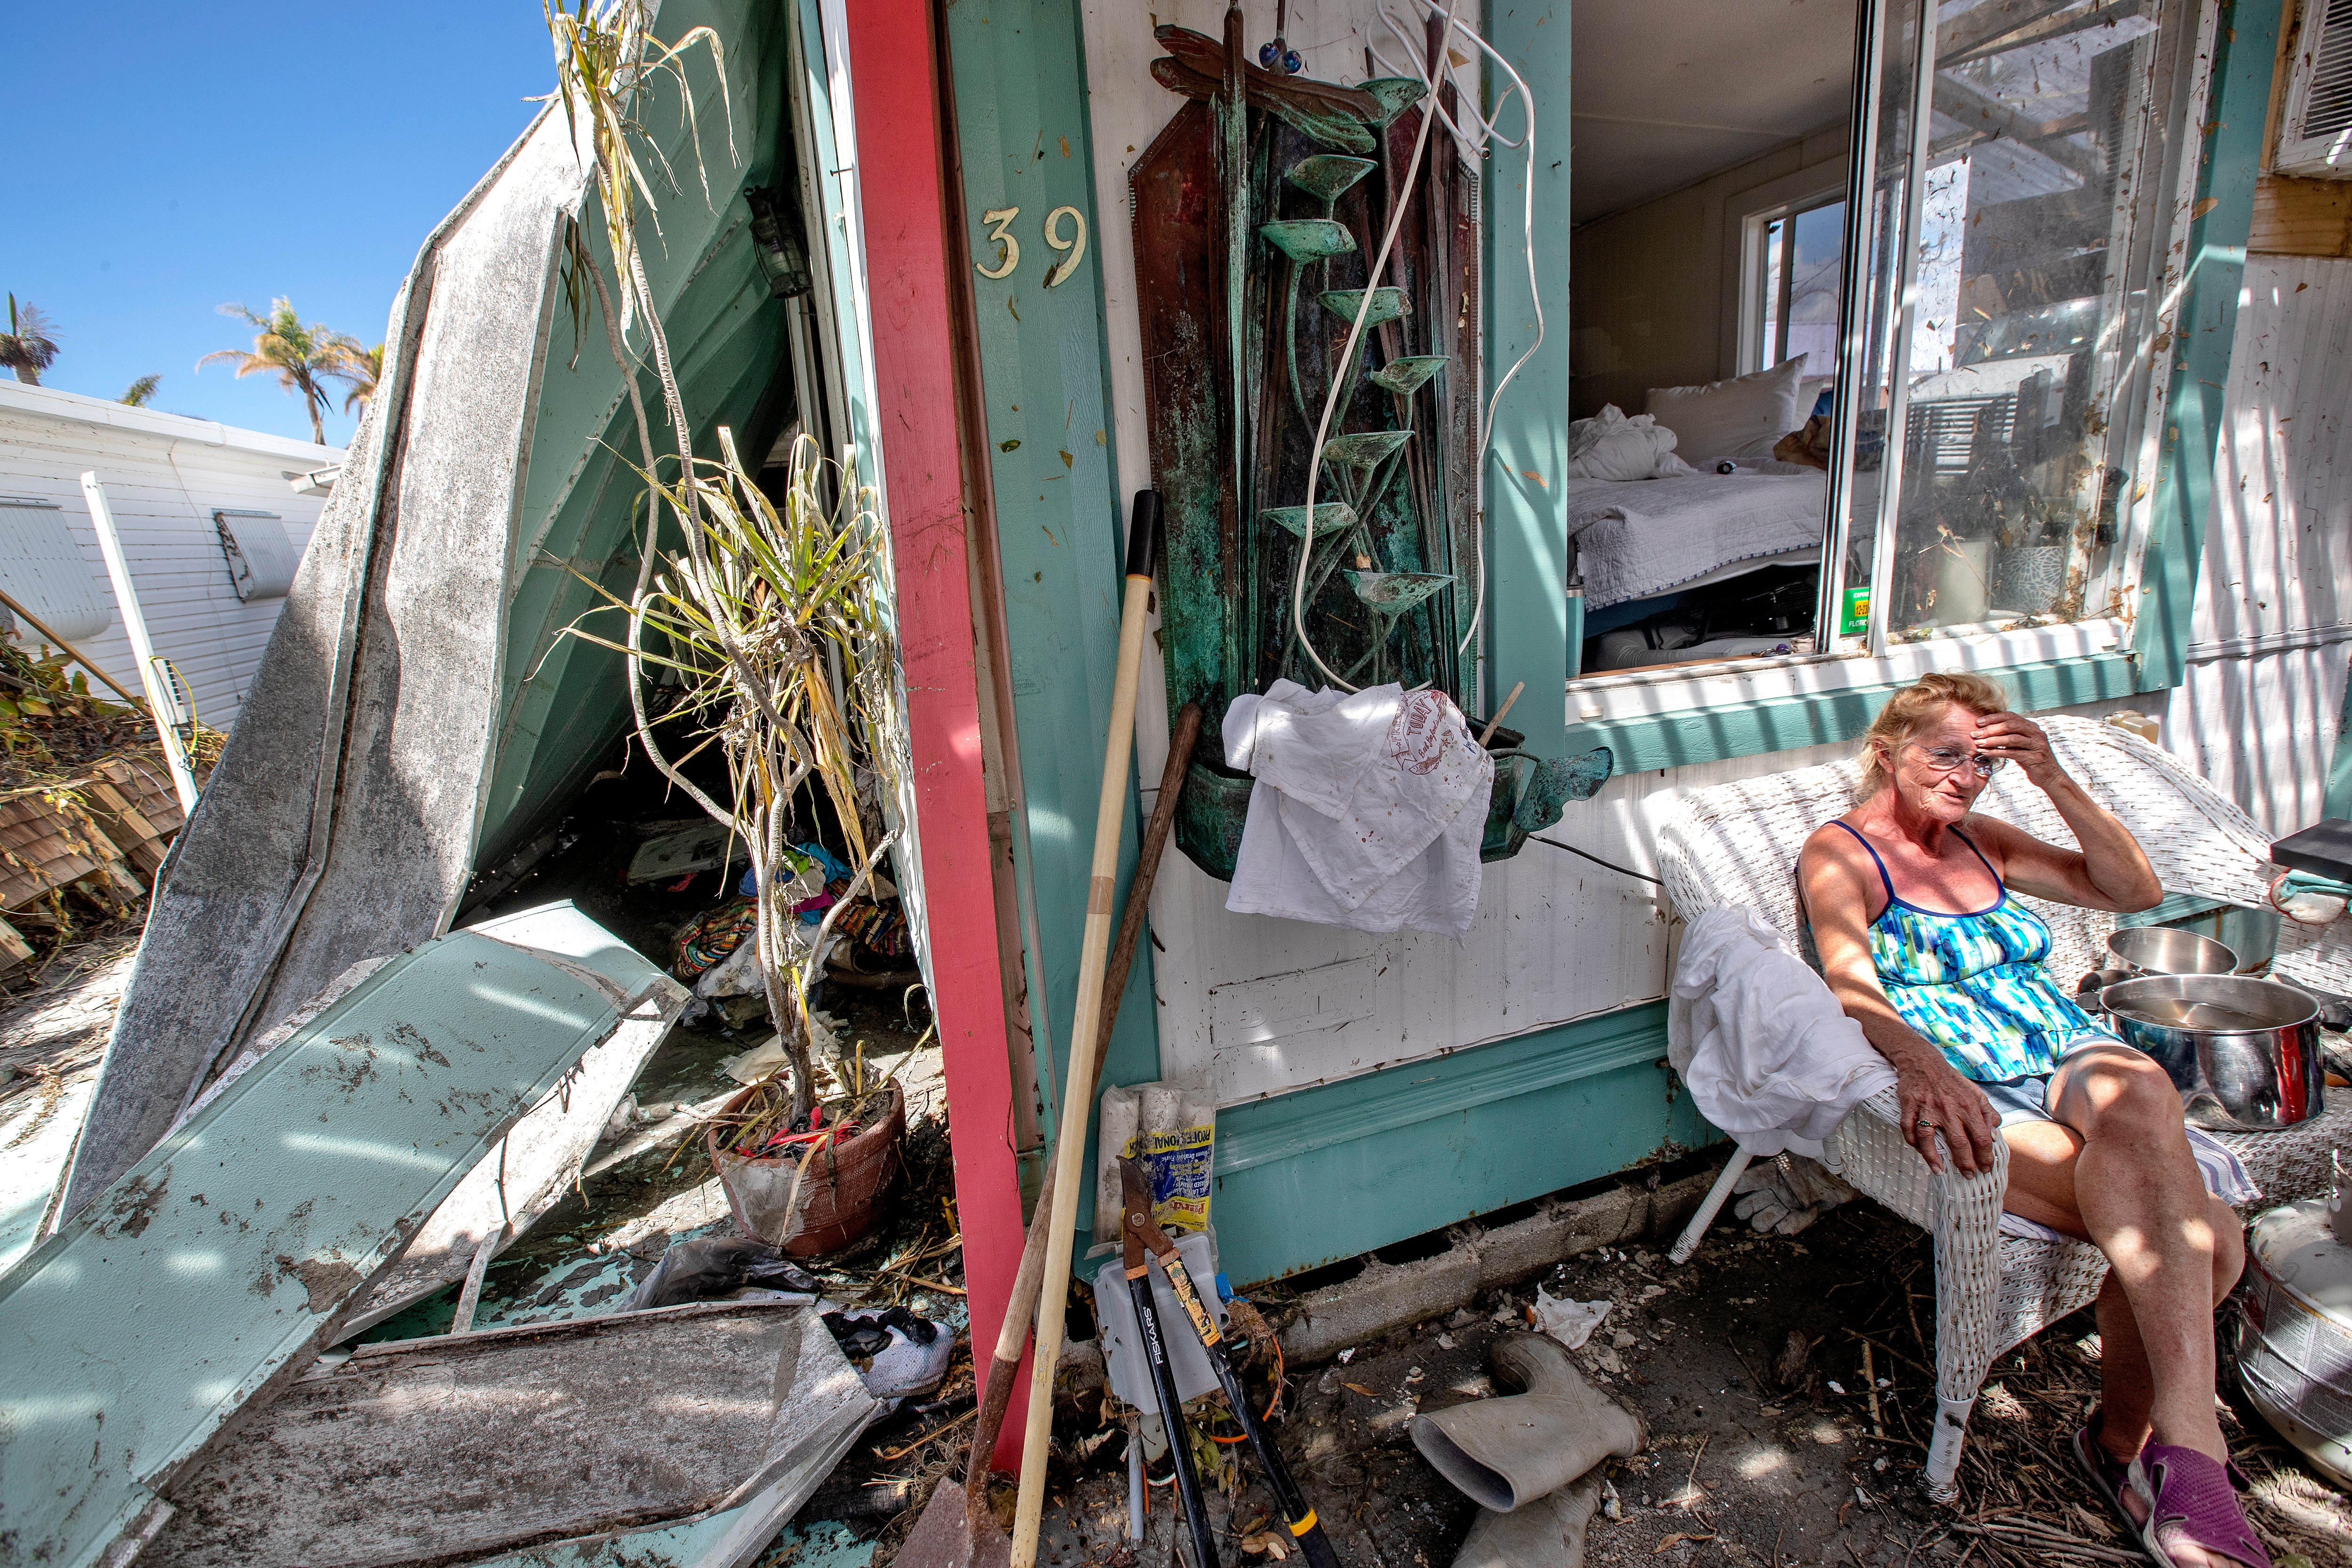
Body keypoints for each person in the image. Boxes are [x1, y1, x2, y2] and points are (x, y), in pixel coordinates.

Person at [1797, 672, 2269, 1568]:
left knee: (2139, 1094)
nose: (1965, 778)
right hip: (1979, 1082)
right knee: (2210, 1239)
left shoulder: (1982, 842)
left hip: (2063, 1046)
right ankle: (2126, 1449)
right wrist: (1923, 1066)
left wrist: (2052, 776)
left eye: (1983, 763)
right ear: (1888, 751)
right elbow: (1850, 979)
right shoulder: (1842, 852)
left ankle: (2188, 1446)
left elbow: (2132, 890)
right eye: (1945, 754)